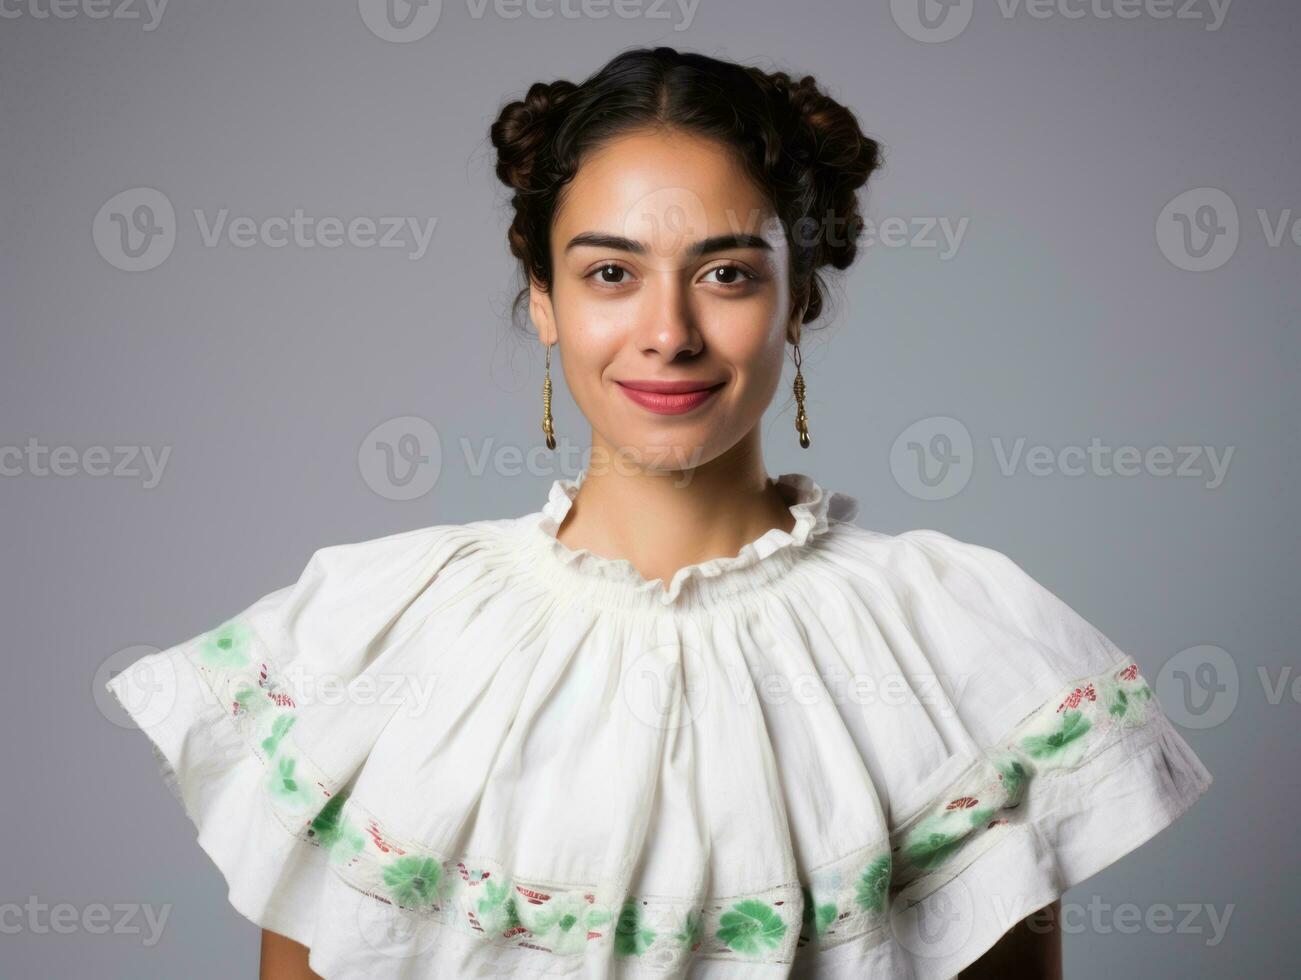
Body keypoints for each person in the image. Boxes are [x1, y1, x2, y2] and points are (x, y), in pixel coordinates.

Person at [105, 46, 1213, 979]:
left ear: (800, 295)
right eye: (609, 273)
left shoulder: (961, 641)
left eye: (725, 273)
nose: (668, 331)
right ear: (540, 296)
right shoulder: (363, 639)